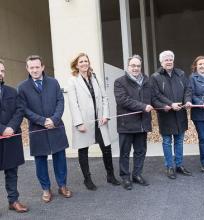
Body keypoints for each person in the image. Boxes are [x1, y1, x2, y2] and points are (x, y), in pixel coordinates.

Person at [18, 55, 72, 203]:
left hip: (56, 127)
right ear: (27, 69)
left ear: (42, 67)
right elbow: (24, 109)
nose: (34, 70)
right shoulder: (22, 87)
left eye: (37, 67)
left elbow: (60, 101)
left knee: (60, 158)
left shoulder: (53, 83)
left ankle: (62, 186)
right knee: (40, 161)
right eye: (31, 67)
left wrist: (54, 119)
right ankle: (46, 189)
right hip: (37, 129)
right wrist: (42, 121)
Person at [67, 53, 120, 191]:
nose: (84, 63)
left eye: (86, 61)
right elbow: (73, 104)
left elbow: (104, 97)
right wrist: (79, 123)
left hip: (100, 121)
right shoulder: (73, 80)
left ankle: (110, 175)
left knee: (106, 148)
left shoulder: (95, 77)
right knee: (83, 150)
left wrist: (106, 115)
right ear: (77, 65)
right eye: (81, 61)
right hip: (84, 122)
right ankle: (87, 179)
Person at [151, 50, 192, 179]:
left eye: (170, 59)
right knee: (167, 141)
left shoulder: (181, 74)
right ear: (161, 62)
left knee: (179, 141)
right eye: (166, 60)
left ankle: (179, 165)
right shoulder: (156, 76)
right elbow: (155, 96)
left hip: (180, 113)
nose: (169, 62)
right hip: (166, 114)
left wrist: (188, 101)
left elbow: (188, 89)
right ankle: (170, 166)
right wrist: (169, 104)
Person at [114, 55, 152, 190]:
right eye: (133, 65)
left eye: (138, 66)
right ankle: (125, 177)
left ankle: (137, 174)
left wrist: (168, 105)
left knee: (140, 151)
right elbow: (123, 100)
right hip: (126, 124)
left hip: (142, 123)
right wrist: (143, 106)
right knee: (125, 152)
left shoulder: (147, 81)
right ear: (128, 67)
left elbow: (154, 98)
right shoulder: (119, 82)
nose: (136, 68)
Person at [0, 59, 28, 213]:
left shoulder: (12, 91)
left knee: (12, 171)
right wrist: (2, 129)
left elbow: (19, 111)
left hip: (12, 137)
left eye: (3, 71)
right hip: (1, 134)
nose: (1, 73)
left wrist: (11, 127)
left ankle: (13, 201)